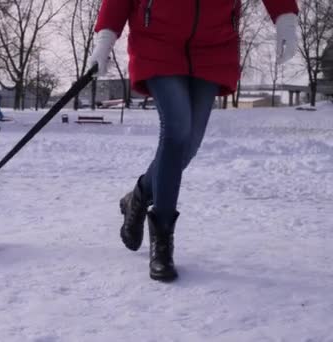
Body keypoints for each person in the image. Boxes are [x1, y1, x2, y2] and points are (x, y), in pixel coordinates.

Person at [87, 0, 298, 282]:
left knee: (188, 145)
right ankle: (162, 243)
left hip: (214, 44)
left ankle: (138, 196)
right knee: (176, 130)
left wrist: (285, 18)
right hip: (157, 41)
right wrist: (105, 37)